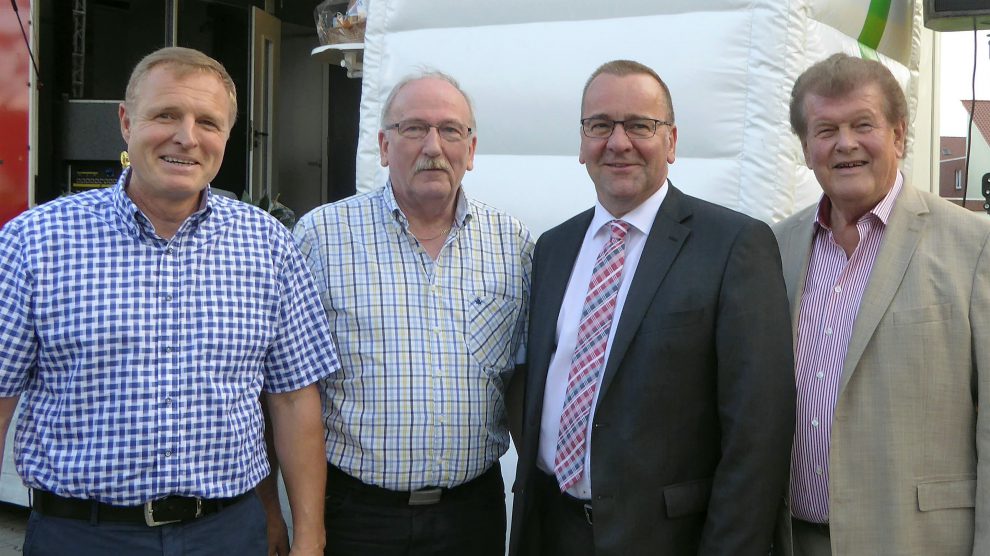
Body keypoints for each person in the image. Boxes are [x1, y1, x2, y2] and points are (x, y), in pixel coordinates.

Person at [0, 46, 338, 556]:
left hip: (226, 534)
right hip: (81, 536)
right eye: (165, 115)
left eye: (208, 121)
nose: (187, 137)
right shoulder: (35, 242)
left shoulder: (267, 244)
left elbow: (293, 398)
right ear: (125, 121)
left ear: (226, 136)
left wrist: (310, 534)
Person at [508, 59, 795, 555]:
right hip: (553, 530)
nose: (618, 142)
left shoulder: (733, 246)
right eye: (600, 125)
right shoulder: (553, 250)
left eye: (640, 125)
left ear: (672, 141)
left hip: (668, 539)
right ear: (582, 144)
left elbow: (758, 433)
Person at [291, 71, 533, 556]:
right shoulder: (321, 238)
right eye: (414, 128)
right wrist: (306, 527)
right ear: (383, 145)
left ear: (471, 147)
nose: (433, 146)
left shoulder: (512, 244)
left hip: (472, 516)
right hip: (357, 516)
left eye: (450, 130)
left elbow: (521, 381)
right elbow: (295, 392)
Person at [771, 52, 990, 556]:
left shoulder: (974, 248)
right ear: (806, 149)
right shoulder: (774, 248)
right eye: (825, 130)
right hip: (793, 539)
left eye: (862, 124)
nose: (845, 143)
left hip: (917, 542)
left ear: (899, 134)